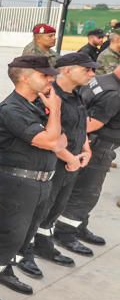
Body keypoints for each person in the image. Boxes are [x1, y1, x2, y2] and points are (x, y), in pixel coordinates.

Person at [0, 55, 60, 300]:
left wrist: (52, 116)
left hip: (41, 182)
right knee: (8, 232)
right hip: (18, 182)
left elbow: (59, 140)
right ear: (24, 77)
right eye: (44, 75)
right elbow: (52, 141)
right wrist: (57, 111)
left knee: (26, 232)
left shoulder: (36, 106)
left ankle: (4, 269)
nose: (50, 79)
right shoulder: (13, 109)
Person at [18, 52, 96, 276]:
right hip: (54, 164)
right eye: (87, 69)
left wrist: (85, 148)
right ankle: (25, 251)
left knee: (56, 208)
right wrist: (69, 158)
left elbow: (79, 127)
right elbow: (49, 136)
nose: (92, 74)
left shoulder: (77, 94)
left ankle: (44, 244)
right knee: (39, 211)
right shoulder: (49, 96)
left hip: (72, 163)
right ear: (67, 70)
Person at [53, 62, 120, 255]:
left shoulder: (102, 80)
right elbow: (88, 124)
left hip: (92, 144)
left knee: (80, 191)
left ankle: (79, 225)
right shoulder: (114, 93)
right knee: (85, 194)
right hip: (98, 147)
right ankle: (65, 232)